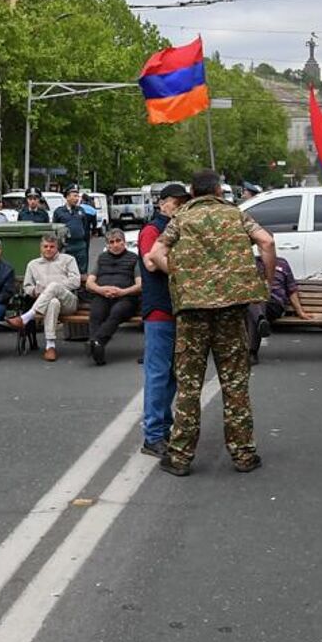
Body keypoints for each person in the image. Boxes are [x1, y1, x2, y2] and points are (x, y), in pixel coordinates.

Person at [149, 169, 274, 476]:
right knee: (234, 382)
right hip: (231, 311)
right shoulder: (236, 216)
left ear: (193, 192)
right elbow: (267, 242)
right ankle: (244, 454)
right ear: (219, 190)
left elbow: (156, 253)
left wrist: (180, 275)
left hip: (192, 312)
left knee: (189, 385)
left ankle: (179, 457)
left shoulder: (181, 219)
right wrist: (265, 283)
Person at [135, 183, 188, 454]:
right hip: (159, 310)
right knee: (158, 374)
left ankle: (163, 428)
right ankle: (153, 435)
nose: (178, 207)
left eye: (182, 202)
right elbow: (150, 262)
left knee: (171, 375)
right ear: (162, 203)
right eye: (175, 202)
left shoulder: (176, 229)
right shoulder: (153, 230)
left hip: (177, 308)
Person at [10, 233, 79, 361]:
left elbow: (76, 282)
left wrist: (52, 287)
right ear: (41, 248)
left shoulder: (68, 260)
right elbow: (27, 287)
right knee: (53, 302)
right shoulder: (33, 264)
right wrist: (35, 291)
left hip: (68, 302)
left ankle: (27, 317)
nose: (48, 249)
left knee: (53, 286)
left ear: (57, 247)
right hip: (46, 304)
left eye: (52, 246)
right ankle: (50, 346)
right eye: (45, 246)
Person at [83, 225, 141, 365]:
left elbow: (140, 285)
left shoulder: (134, 259)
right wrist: (100, 290)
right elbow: (89, 283)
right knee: (96, 312)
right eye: (111, 242)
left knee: (117, 311)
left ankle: (97, 342)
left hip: (126, 297)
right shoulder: (102, 258)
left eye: (118, 241)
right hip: (103, 295)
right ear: (108, 245)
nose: (115, 245)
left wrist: (123, 292)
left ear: (124, 242)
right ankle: (98, 349)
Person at [247, 250, 312, 362]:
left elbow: (292, 289)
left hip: (274, 304)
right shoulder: (251, 262)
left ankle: (253, 351)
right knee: (256, 302)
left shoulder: (282, 263)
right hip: (254, 302)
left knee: (255, 307)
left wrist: (300, 311)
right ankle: (260, 321)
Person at [56, 185, 94, 275]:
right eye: (74, 196)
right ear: (67, 197)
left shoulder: (81, 210)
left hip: (80, 245)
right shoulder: (59, 211)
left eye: (78, 196)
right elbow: (55, 229)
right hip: (66, 245)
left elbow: (85, 227)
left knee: (81, 271)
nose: (77, 199)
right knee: (65, 271)